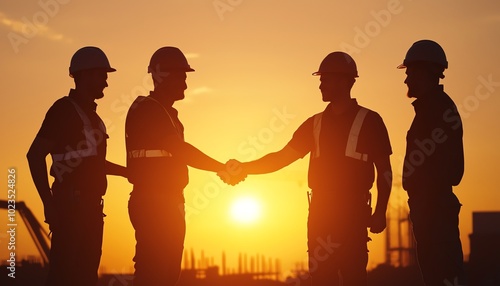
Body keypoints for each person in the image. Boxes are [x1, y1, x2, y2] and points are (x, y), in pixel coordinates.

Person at [221, 51, 392, 285]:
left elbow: (385, 170)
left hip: (352, 215)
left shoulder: (370, 121)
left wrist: (381, 210)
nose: (320, 85)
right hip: (321, 215)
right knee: (321, 278)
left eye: (325, 79)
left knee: (353, 278)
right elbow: (281, 158)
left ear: (344, 81)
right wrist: (245, 168)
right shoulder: (315, 124)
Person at [125, 46, 236, 286]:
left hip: (166, 203)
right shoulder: (150, 110)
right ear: (161, 76)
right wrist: (222, 168)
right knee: (153, 274)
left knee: (165, 274)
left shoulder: (167, 114)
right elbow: (181, 151)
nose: (185, 85)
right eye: (181, 77)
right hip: (155, 203)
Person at [27, 46, 127, 286]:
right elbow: (35, 155)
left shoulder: (94, 118)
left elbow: (93, 164)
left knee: (85, 278)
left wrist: (127, 172)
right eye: (102, 76)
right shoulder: (62, 111)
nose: (106, 83)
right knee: (63, 277)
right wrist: (48, 204)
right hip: (70, 209)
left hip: (92, 211)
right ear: (85, 75)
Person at [398, 39, 466, 286]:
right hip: (429, 211)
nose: (406, 80)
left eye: (409, 72)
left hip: (435, 211)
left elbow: (450, 170)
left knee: (444, 277)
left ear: (424, 72)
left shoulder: (438, 111)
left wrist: (426, 197)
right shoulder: (431, 109)